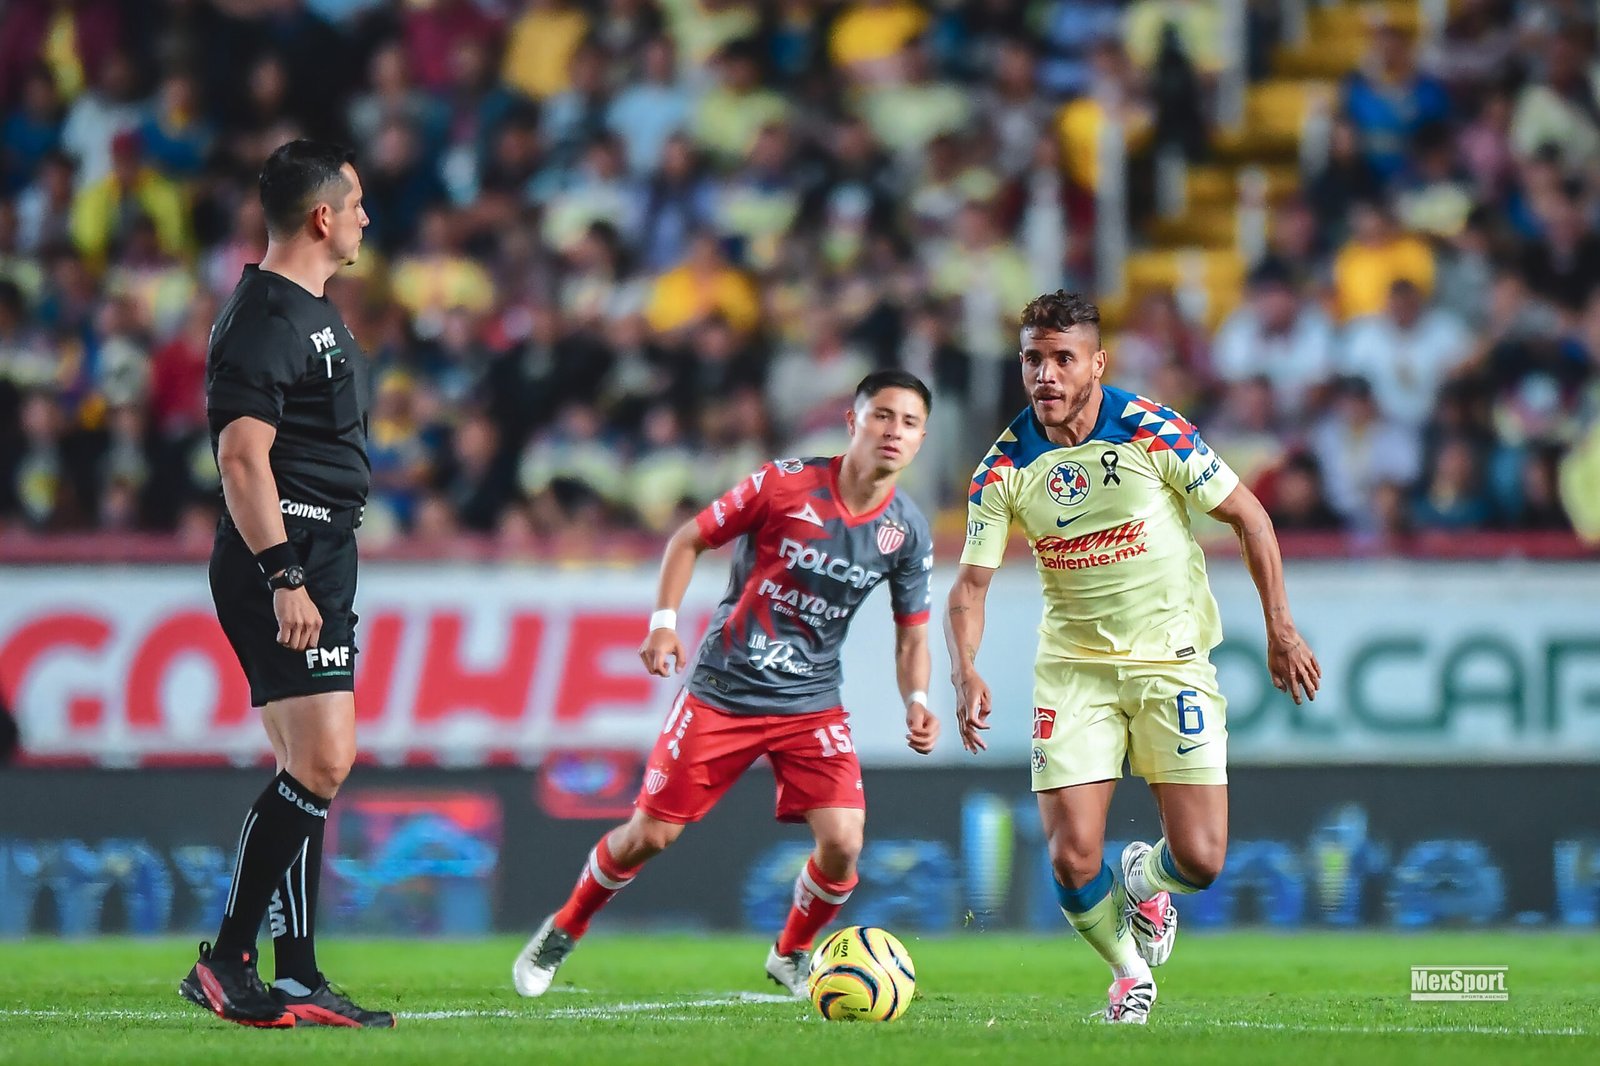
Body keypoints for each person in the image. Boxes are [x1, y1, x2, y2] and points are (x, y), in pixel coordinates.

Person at [946, 291, 1320, 1023]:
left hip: (1170, 662)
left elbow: (1250, 517)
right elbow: (970, 586)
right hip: (1073, 671)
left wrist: (1281, 627)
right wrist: (965, 668)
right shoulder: (1002, 468)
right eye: (1033, 360)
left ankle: (1145, 879)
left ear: (1097, 364)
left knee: (1202, 860)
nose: (1046, 376)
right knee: (1070, 855)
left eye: (1063, 359)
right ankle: (1128, 975)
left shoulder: (1152, 430)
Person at [513, 370, 940, 999]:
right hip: (725, 689)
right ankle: (564, 928)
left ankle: (790, 954)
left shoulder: (907, 530)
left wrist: (918, 701)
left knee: (844, 844)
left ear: (922, 438)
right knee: (650, 836)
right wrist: (663, 625)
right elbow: (687, 540)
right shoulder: (783, 483)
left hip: (810, 701)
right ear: (853, 422)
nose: (894, 431)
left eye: (909, 423)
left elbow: (912, 636)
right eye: (882, 415)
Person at [179, 140, 392, 1029]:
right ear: (321, 216)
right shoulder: (267, 315)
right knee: (323, 761)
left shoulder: (304, 308)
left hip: (316, 549)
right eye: (357, 203)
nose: (366, 218)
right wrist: (284, 575)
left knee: (307, 768)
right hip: (287, 554)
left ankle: (297, 974)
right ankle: (227, 959)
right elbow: (241, 457)